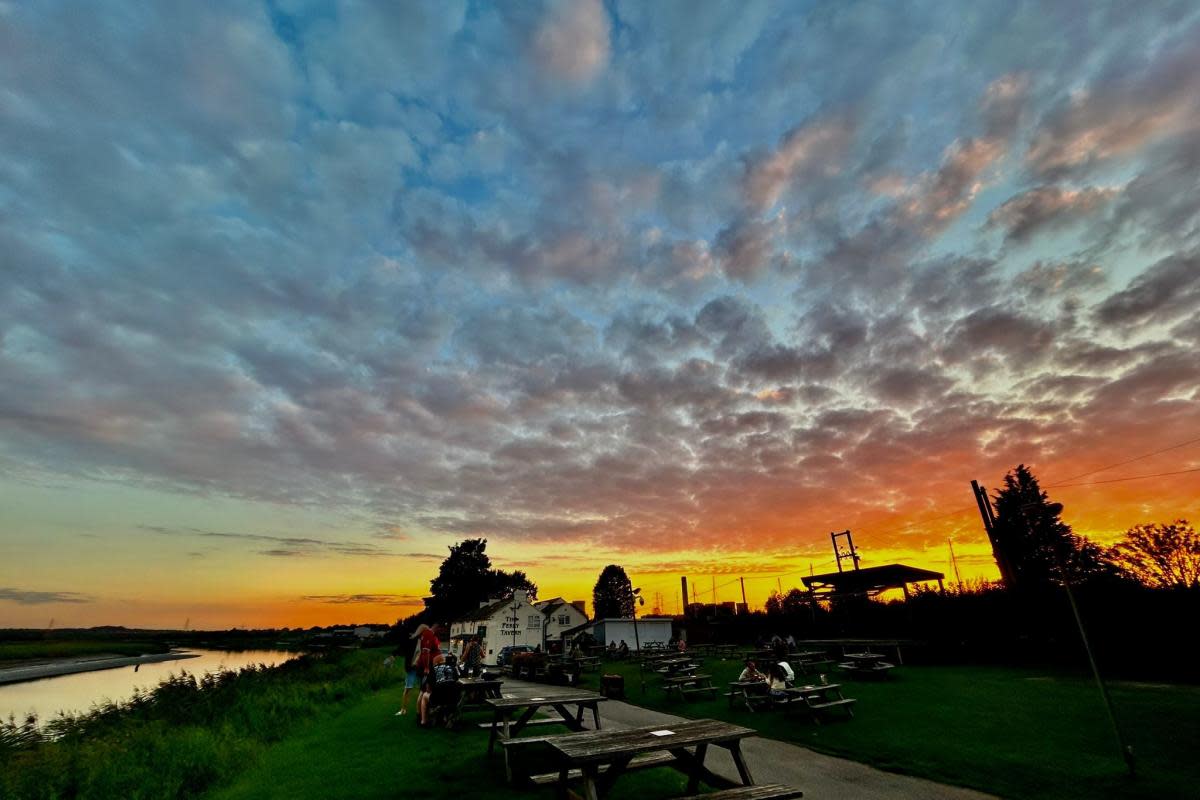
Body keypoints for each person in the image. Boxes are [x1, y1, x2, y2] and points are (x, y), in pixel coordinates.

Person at [418, 652, 460, 729]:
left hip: (439, 698)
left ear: (436, 663)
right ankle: (445, 717)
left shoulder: (433, 670)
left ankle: (423, 721)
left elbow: (428, 689)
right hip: (453, 697)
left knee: (424, 696)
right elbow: (456, 680)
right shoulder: (452, 667)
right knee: (447, 695)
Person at [395, 639, 422, 716]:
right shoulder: (411, 641)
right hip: (412, 669)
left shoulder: (424, 641)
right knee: (407, 689)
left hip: (420, 669)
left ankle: (420, 711)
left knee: (422, 690)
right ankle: (403, 710)